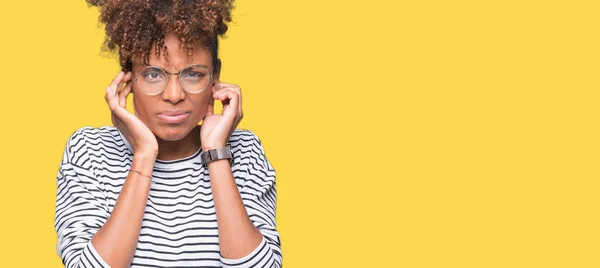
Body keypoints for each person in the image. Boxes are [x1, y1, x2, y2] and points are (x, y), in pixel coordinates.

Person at [53, 1, 282, 267]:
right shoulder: (90, 150)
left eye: (193, 74)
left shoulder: (243, 149)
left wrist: (216, 152)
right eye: (152, 74)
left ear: (215, 76)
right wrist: (144, 155)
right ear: (128, 77)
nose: (174, 95)